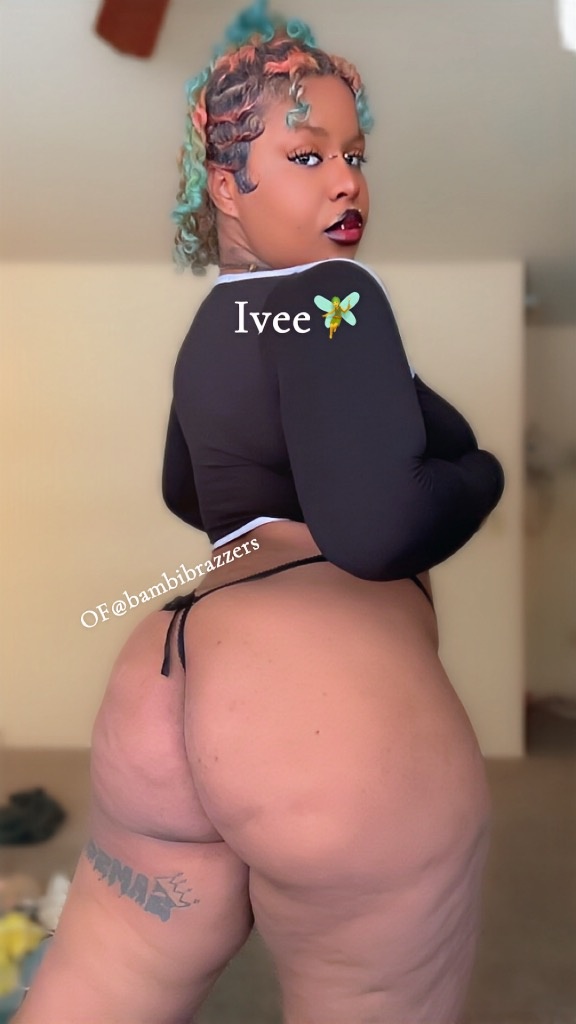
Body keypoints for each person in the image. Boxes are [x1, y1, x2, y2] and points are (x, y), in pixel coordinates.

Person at [13, 3, 505, 1022]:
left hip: (171, 666)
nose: (346, 180)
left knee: (101, 982)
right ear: (227, 185)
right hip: (318, 686)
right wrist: (483, 474)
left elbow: (187, 490)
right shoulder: (333, 297)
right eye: (307, 154)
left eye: (354, 155)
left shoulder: (216, 325)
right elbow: (378, 529)